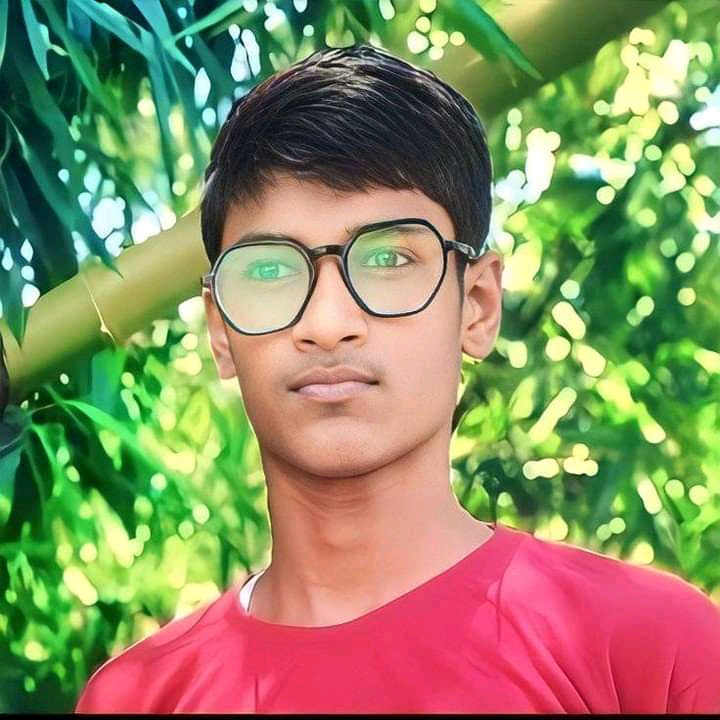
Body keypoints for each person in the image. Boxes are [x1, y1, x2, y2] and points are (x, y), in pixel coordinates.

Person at [74, 44, 720, 714]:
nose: (327, 322)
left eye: (387, 257)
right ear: (219, 328)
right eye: (269, 270)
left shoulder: (650, 650)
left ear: (476, 307)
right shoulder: (137, 698)